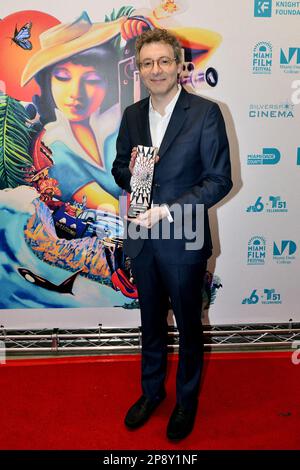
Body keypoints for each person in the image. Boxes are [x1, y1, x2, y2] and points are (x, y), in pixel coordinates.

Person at [112, 28, 232, 441]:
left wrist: (168, 208)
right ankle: (151, 393)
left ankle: (185, 401)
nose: (156, 70)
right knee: (150, 323)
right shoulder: (131, 116)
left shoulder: (205, 113)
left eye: (164, 61)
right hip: (142, 237)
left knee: (188, 324)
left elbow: (219, 180)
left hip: (185, 234)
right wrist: (134, 174)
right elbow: (118, 171)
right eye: (147, 63)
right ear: (139, 70)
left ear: (179, 66)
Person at [21, 12, 126, 212]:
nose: (76, 93)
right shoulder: (52, 147)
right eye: (62, 77)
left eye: (92, 80)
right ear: (48, 82)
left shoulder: (121, 121)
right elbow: (112, 209)